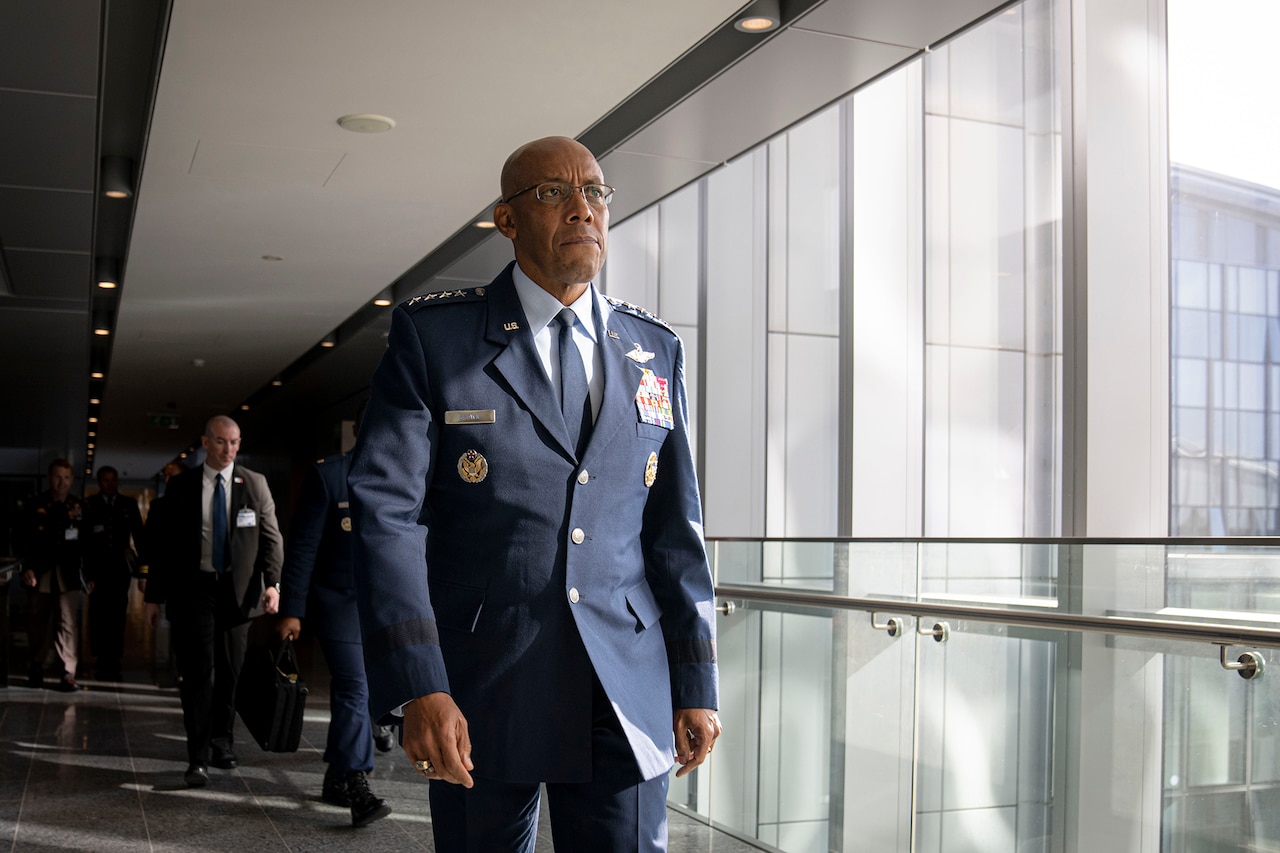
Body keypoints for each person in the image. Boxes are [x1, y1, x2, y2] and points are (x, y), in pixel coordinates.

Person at [348, 136, 722, 852]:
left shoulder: (655, 348)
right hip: (482, 684)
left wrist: (696, 678)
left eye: (595, 193)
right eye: (554, 192)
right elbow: (386, 517)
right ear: (507, 220)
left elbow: (676, 532)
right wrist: (420, 683)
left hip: (626, 688)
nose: (583, 208)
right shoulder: (438, 338)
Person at [145, 416, 283, 788]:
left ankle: (223, 742)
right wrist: (153, 597)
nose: (229, 450)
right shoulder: (182, 486)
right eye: (221, 442)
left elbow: (272, 538)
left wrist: (274, 584)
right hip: (195, 591)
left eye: (235, 442)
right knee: (198, 673)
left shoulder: (254, 484)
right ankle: (198, 755)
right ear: (206, 442)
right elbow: (164, 547)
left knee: (230, 671)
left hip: (238, 594)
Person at [276, 447, 391, 827]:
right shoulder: (328, 475)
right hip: (339, 602)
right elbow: (303, 547)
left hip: (385, 604)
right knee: (355, 688)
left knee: (365, 690)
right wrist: (292, 609)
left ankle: (335, 778)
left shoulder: (402, 470)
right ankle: (358, 784)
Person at [17, 459, 87, 692]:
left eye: (66, 477)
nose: (62, 482)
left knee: (67, 623)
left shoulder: (78, 506)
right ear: (49, 478)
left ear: (72, 480)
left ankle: (68, 671)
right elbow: (21, 539)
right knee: (38, 621)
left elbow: (88, 544)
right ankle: (36, 665)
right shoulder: (35, 504)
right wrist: (26, 567)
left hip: (69, 573)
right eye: (58, 477)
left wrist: (89, 574)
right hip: (40, 571)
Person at [83, 465, 145, 682]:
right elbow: (84, 542)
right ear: (99, 482)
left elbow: (139, 538)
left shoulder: (128, 504)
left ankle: (115, 656)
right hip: (97, 570)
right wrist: (87, 574)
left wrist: (143, 572)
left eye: (113, 480)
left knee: (118, 613)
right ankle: (100, 656)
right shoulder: (89, 505)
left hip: (120, 569)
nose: (110, 484)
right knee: (98, 613)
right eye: (106, 480)